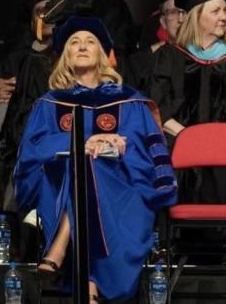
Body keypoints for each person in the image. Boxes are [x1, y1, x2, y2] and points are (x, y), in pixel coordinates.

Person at [14, 16, 177, 301]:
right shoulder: (50, 103)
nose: (82, 46)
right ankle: (89, 287)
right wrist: (83, 143)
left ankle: (59, 252)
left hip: (123, 193)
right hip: (60, 189)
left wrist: (118, 145)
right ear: (65, 56)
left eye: (90, 41)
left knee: (92, 165)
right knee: (85, 164)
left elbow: (148, 153)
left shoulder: (129, 101)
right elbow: (31, 153)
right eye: (74, 42)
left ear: (103, 54)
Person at [149, 0, 226, 205]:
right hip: (178, 148)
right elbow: (157, 104)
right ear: (196, 16)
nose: (223, 17)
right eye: (216, 11)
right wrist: (187, 139)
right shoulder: (170, 56)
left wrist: (214, 142)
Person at [0, 0, 65, 211]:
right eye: (40, 11)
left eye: (52, 9)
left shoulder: (74, 55)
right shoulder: (16, 59)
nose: (46, 16)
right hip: (15, 136)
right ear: (32, 20)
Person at [125, 0, 196, 93]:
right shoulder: (141, 62)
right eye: (173, 12)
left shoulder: (214, 59)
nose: (181, 19)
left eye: (186, 11)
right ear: (163, 22)